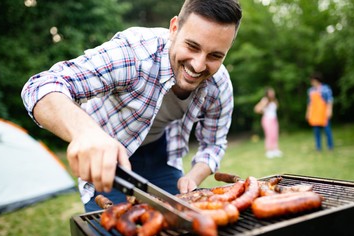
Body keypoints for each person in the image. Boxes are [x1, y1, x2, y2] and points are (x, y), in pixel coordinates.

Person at [21, 0, 243, 213]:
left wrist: (192, 177)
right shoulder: (134, 53)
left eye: (215, 55)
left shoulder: (219, 84)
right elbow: (40, 86)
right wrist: (85, 133)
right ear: (174, 28)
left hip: (162, 155)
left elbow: (213, 145)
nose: (198, 65)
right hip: (109, 160)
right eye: (192, 46)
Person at [305, 72, 334, 151]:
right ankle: (318, 147)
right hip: (315, 113)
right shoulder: (310, 91)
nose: (311, 82)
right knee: (316, 132)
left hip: (323, 113)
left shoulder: (325, 89)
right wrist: (308, 113)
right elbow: (309, 103)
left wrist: (329, 110)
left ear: (316, 80)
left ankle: (330, 146)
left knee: (327, 130)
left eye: (312, 80)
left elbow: (329, 100)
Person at [254, 87, 282, 158]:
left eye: (272, 92)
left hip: (274, 119)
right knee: (269, 135)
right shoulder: (265, 100)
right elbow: (256, 109)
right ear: (267, 93)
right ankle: (269, 151)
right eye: (270, 92)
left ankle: (275, 149)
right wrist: (263, 111)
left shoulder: (274, 100)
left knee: (275, 135)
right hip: (267, 119)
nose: (272, 93)